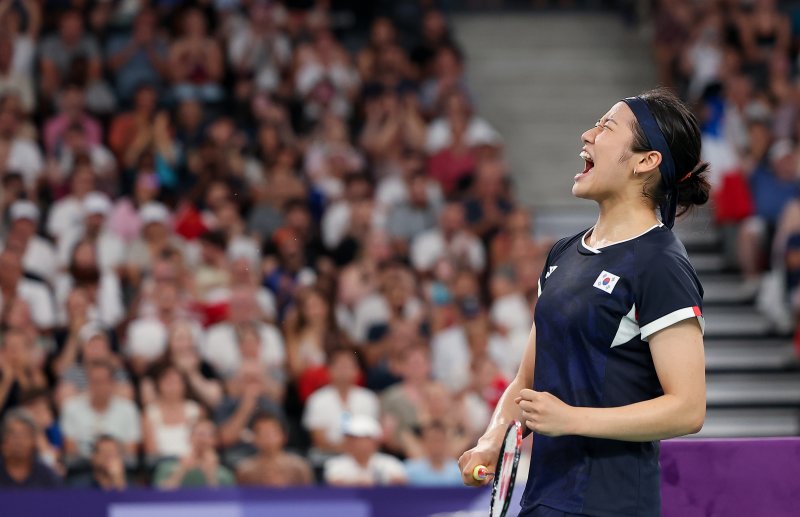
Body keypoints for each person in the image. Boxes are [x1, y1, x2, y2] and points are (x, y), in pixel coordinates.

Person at [458, 89, 708, 517]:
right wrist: (493, 437)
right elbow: (527, 380)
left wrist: (573, 419)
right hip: (543, 498)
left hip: (610, 504)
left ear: (645, 161)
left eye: (606, 127)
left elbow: (687, 408)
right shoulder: (563, 254)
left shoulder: (660, 264)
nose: (587, 134)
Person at [323, 414, 406, 487]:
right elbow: (335, 483)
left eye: (363, 438)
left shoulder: (390, 463)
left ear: (375, 441)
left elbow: (400, 482)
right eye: (352, 438)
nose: (357, 443)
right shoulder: (335, 464)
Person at [152, 418, 235, 489]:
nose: (203, 438)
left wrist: (211, 475)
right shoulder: (166, 468)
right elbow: (159, 500)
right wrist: (181, 471)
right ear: (189, 437)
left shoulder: (225, 474)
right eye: (199, 434)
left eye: (208, 435)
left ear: (215, 441)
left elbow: (224, 503)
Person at [235, 412, 313, 487]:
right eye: (262, 433)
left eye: (272, 432)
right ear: (254, 438)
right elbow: (242, 498)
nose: (268, 437)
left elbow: (308, 497)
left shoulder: (299, 467)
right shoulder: (245, 471)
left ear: (284, 435)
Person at [0, 409, 61, 488]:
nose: (19, 441)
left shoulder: (47, 477)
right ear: (4, 440)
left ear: (34, 442)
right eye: (13, 434)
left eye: (24, 435)